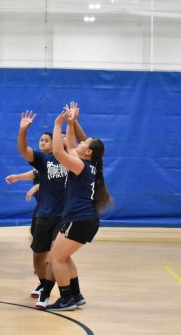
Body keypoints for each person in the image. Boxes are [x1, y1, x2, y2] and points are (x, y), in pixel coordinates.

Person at [44, 104, 112, 312]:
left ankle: (66, 299)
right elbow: (72, 145)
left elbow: (58, 150)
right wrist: (71, 122)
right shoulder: (86, 164)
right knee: (63, 256)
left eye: (85, 142)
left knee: (56, 258)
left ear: (89, 151)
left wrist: (58, 124)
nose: (81, 142)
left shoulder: (80, 166)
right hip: (83, 220)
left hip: (80, 220)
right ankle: (76, 295)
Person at [6, 111, 67, 300]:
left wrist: (70, 125)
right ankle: (43, 283)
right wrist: (22, 130)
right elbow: (24, 150)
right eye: (41, 139)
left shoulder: (72, 159)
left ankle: (58, 291)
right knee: (38, 256)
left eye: (49, 139)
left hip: (64, 215)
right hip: (43, 213)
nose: (43, 142)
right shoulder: (43, 160)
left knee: (56, 255)